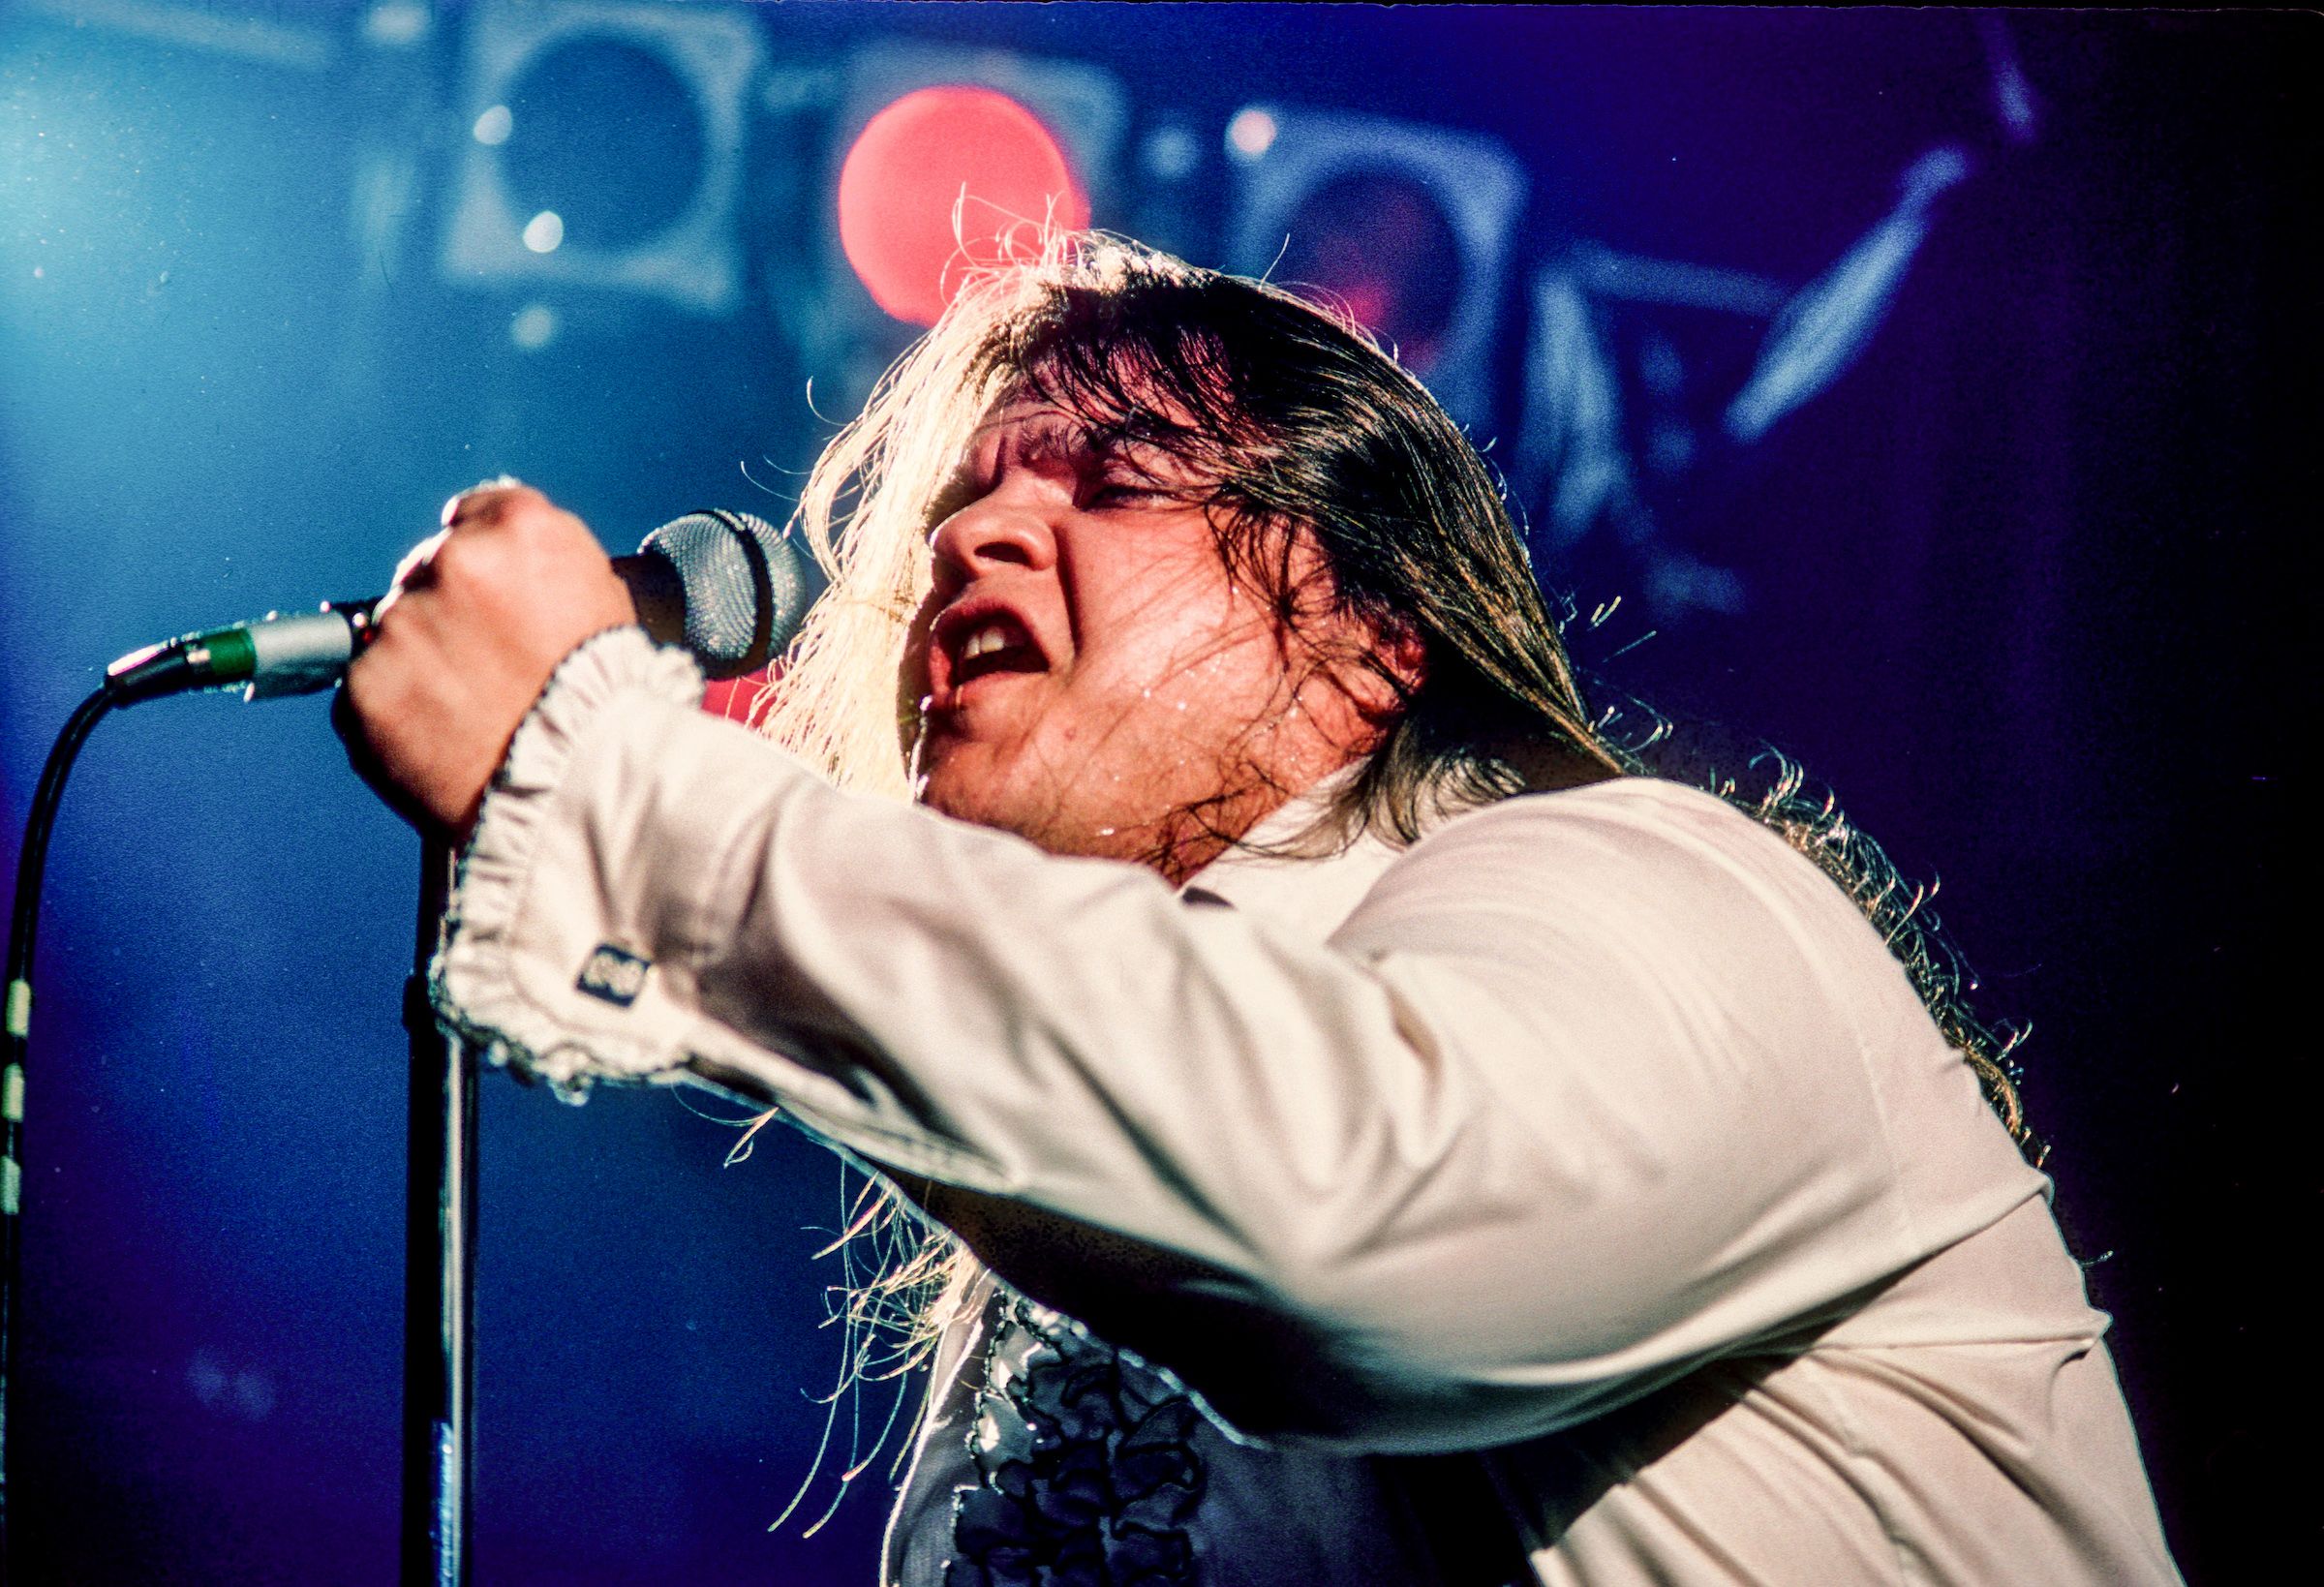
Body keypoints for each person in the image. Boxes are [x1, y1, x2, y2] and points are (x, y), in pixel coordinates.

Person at [339, 236, 2181, 1585]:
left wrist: (605, 775)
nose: (972, 542)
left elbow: (1366, 1219)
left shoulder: (1663, 892)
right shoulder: (1058, 1240)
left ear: (1381, 645)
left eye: (1115, 483)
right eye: (963, 506)